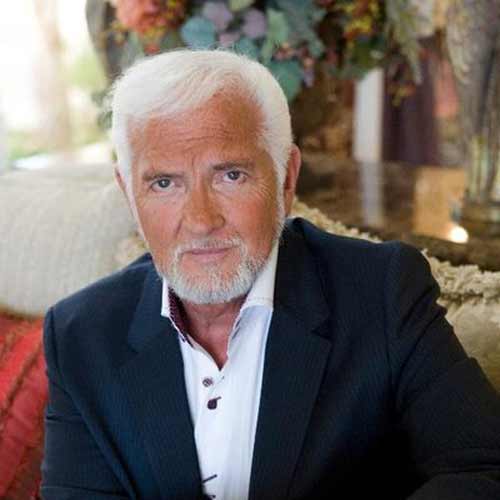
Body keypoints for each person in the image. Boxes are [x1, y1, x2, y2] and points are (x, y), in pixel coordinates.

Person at [41, 49, 500, 500]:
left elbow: (482, 468)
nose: (200, 221)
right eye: (164, 183)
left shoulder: (383, 291)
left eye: (230, 176)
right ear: (128, 193)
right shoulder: (81, 334)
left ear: (286, 179)